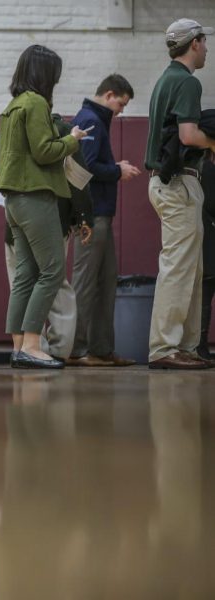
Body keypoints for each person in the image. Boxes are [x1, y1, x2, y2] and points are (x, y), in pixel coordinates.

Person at [0, 44, 88, 369]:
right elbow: (45, 151)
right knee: (52, 271)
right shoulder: (35, 103)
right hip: (35, 195)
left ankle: (19, 346)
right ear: (44, 75)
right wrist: (72, 138)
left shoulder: (13, 105)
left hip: (14, 201)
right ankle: (33, 344)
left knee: (26, 274)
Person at [145, 18, 215, 370]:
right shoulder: (187, 82)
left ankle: (184, 345)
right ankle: (164, 347)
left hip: (169, 182)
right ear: (195, 43)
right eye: (205, 41)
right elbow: (188, 136)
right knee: (178, 268)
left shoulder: (165, 80)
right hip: (178, 183)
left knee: (190, 267)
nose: (207, 48)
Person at [3, 113, 94, 362]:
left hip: (16, 216)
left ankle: (24, 347)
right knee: (56, 281)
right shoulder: (63, 130)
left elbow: (0, 173)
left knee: (21, 282)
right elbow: (79, 178)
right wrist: (84, 217)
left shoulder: (8, 130)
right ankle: (57, 349)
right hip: (54, 218)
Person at [69, 74, 141, 367]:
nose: (121, 110)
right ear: (109, 95)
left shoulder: (93, 119)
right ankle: (75, 349)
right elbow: (83, 169)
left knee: (105, 280)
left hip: (100, 213)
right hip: (92, 214)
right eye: (121, 104)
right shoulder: (92, 121)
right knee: (85, 283)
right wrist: (116, 170)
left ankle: (100, 347)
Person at [199, 151, 215, 358]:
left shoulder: (202, 167)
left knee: (204, 293)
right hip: (209, 237)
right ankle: (200, 345)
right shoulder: (208, 169)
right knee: (205, 291)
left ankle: (200, 344)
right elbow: (211, 203)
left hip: (206, 237)